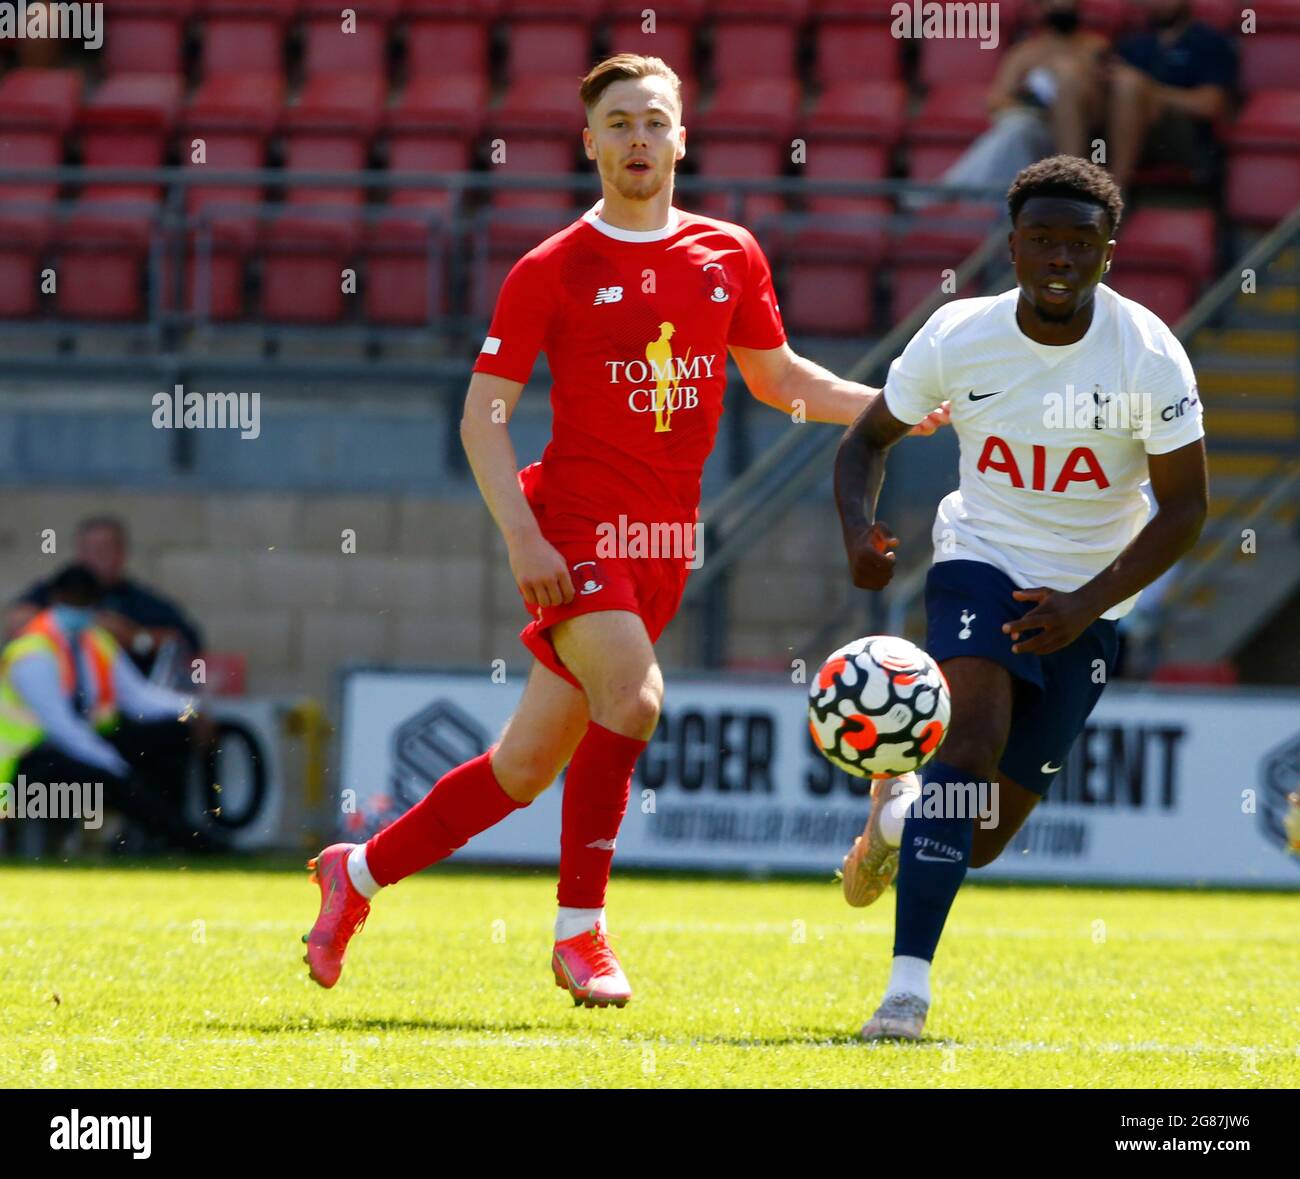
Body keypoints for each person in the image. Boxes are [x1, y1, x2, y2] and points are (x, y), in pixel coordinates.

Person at [301, 53, 951, 1005]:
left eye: (654, 120)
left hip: (663, 547)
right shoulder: (551, 268)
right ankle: (582, 935)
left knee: (522, 769)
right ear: (590, 141)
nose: (638, 138)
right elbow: (482, 416)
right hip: (571, 527)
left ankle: (352, 875)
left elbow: (779, 382)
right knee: (637, 700)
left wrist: (888, 406)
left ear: (682, 137)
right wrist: (526, 539)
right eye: (619, 123)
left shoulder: (728, 252)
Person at [833, 156, 1207, 1041]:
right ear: (1013, 246)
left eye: (1081, 242)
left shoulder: (1148, 352)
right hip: (979, 559)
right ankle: (905, 994)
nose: (1060, 257)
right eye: (1042, 238)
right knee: (968, 738)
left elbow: (1187, 508)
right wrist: (859, 528)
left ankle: (898, 811)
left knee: (983, 829)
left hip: (1092, 599)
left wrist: (1085, 605)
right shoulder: (958, 335)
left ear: (1108, 254)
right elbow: (866, 441)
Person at [0, 564, 220, 856]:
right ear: (55, 601)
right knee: (108, 778)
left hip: (79, 744)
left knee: (171, 735)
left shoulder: (95, 642)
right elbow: (62, 727)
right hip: (24, 763)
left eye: (86, 602)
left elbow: (139, 697)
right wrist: (114, 765)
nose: (79, 610)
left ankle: (167, 836)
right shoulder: (31, 652)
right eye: (73, 601)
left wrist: (192, 710)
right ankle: (188, 842)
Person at [905, 0, 1107, 210]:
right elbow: (996, 101)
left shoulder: (1094, 46)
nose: (1062, 7)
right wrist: (1027, 98)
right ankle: (1009, 210)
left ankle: (948, 189)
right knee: (1015, 132)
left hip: (1079, 136)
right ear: (1039, 10)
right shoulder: (1025, 52)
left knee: (1013, 133)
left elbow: (1101, 98)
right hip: (1035, 127)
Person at [7, 516, 204, 679]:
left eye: (104, 550)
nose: (96, 558)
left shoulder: (139, 600)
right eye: (89, 550)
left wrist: (134, 638)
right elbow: (16, 620)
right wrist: (65, 622)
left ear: (121, 554)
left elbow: (185, 641)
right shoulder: (59, 588)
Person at [1106, 0, 1236, 192]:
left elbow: (1210, 105)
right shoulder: (1132, 45)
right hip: (1129, 133)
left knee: (1129, 84)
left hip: (1187, 136)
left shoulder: (1209, 41)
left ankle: (1116, 191)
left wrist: (1147, 90)